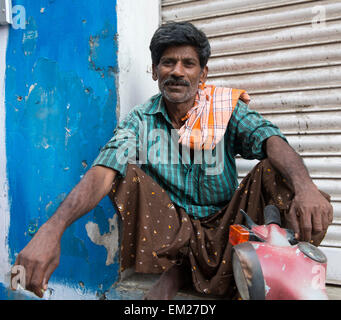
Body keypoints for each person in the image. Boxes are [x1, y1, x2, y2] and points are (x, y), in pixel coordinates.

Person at [11, 21, 333, 300]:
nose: (177, 71)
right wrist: (52, 230)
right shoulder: (140, 120)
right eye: (168, 63)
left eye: (188, 63)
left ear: (202, 73)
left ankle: (280, 269)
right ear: (154, 71)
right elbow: (104, 170)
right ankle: (178, 271)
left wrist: (305, 188)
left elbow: (269, 138)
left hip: (231, 223)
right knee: (126, 173)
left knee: (275, 171)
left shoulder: (223, 108)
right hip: (177, 232)